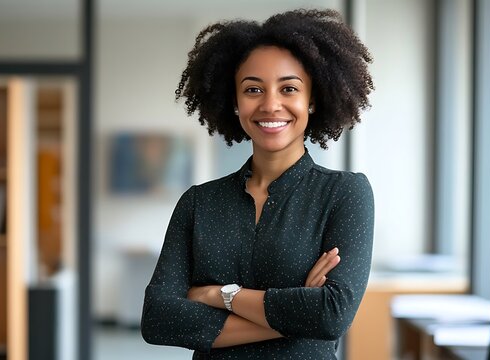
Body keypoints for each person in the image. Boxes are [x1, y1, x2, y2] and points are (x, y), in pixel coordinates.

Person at [141, 8, 375, 359]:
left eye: (289, 88)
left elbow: (332, 315)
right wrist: (294, 312)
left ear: (311, 99)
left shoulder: (345, 194)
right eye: (253, 89)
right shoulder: (198, 203)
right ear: (234, 101)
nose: (270, 104)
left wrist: (219, 295)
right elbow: (158, 320)